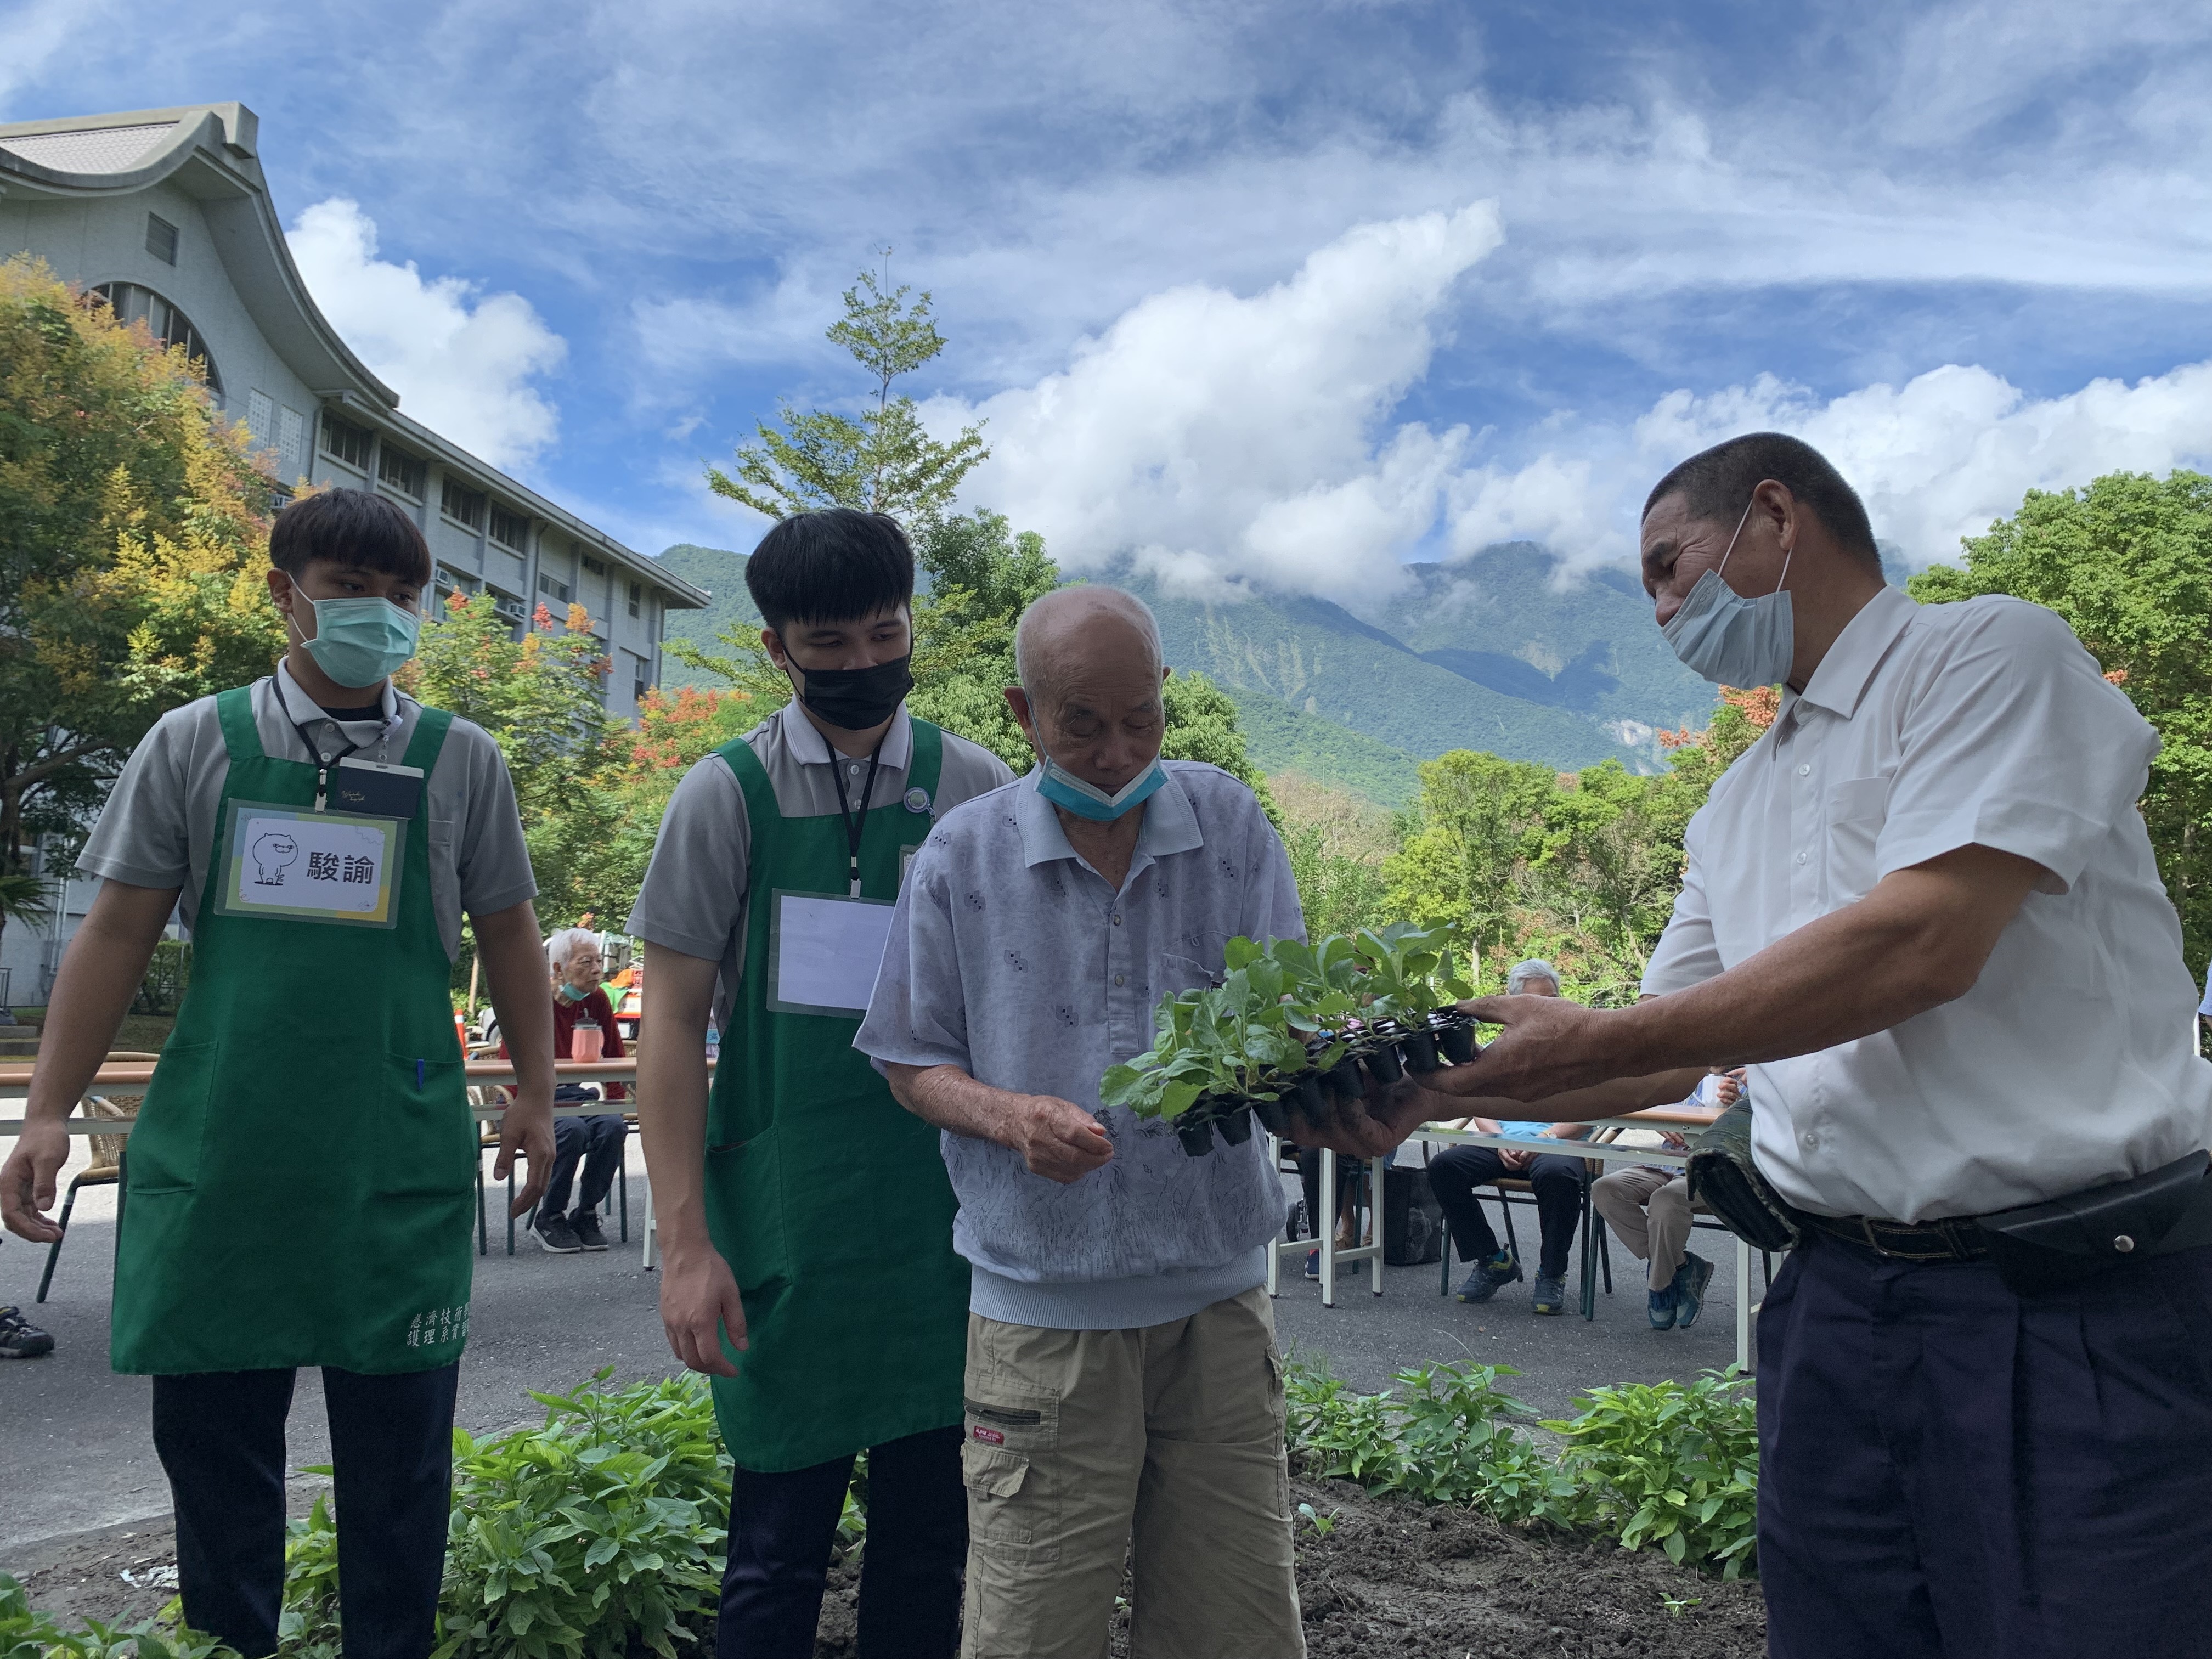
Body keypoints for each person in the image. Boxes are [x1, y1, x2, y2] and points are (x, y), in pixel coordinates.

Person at [1424, 433, 2212, 1659]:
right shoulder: (1734, 802)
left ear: (1775, 516)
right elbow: (1654, 1055)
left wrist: (1591, 1040)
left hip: (2068, 1303)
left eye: (1669, 566)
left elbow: (1923, 943)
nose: (1663, 610)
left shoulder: (1988, 654)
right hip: (1836, 1302)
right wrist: (1421, 1090)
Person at [0, 488, 555, 1659]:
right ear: (284, 593)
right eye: (351, 588)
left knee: (402, 1464)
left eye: (403, 594)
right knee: (216, 1455)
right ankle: (229, 1644)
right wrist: (47, 1109)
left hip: (391, 1147)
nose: (381, 614)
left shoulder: (461, 758)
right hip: (228, 1150)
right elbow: (116, 931)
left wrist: (538, 1092)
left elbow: (509, 930)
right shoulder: (193, 741)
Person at [856, 585, 1416, 1659]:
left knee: (1236, 1634)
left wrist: (1329, 1082)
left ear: (1165, 696)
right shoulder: (961, 858)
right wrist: (1008, 1115)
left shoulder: (1231, 826)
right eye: (1081, 725)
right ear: (1022, 713)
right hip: (1041, 1318)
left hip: (1218, 1313)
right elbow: (910, 1059)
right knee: (1029, 1636)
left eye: (1140, 719)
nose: (1116, 754)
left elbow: (1287, 1023)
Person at [630, 509, 1014, 1659]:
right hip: (786, 1214)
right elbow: (670, 1028)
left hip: (938, 1222)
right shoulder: (725, 794)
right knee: (774, 1546)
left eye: (884, 636)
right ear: (777, 648)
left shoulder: (975, 786)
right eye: (829, 644)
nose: (863, 664)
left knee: (930, 1543)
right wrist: (686, 1244)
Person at [1424, 963, 1591, 1315]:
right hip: (1502, 1143)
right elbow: (1478, 1100)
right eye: (1535, 1001)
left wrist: (1545, 1137)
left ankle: (1551, 1274)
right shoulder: (1494, 1052)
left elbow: (1592, 1111)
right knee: (1444, 1167)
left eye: (1553, 999)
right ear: (1513, 1006)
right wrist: (1497, 1139)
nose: (1546, 1008)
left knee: (1557, 1174)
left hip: (1556, 1144)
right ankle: (1493, 1260)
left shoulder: (1579, 1052)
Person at [1591, 1069, 1742, 1330]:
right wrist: (1660, 1122)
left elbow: (1768, 1129)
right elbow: (1642, 1099)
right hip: (1664, 1163)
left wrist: (1739, 1108)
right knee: (1605, 1190)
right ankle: (1682, 1266)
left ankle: (1660, 1287)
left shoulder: (1752, 1077)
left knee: (1665, 1201)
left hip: (1709, 1169)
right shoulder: (1683, 1073)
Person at [517, 928, 629, 1253]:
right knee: (572, 1129)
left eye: (598, 961)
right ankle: (550, 1216)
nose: (597, 970)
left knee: (612, 1126)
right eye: (586, 962)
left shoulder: (597, 1000)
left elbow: (616, 1057)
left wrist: (617, 1105)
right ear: (558, 968)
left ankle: (587, 1213)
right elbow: (514, 1069)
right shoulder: (532, 1001)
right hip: (535, 1099)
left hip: (576, 1097)